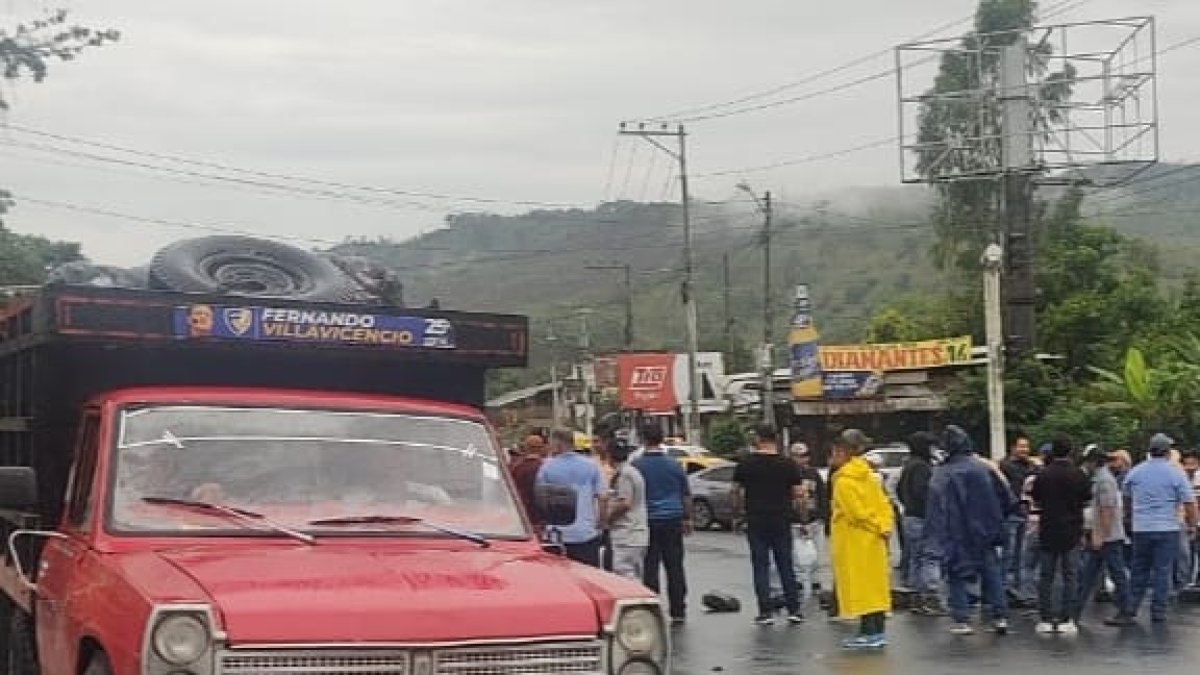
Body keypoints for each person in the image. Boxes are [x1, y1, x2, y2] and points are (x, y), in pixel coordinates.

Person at [927, 425, 1014, 636]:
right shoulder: (982, 468)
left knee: (956, 574)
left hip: (956, 532)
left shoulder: (943, 473)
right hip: (984, 531)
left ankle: (962, 618)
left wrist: (934, 538)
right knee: (991, 573)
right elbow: (1005, 496)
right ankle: (1000, 616)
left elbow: (935, 506)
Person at [1107, 433, 1198, 626]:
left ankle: (1130, 609)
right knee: (1162, 571)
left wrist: (1130, 518)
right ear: (1166, 452)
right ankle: (1158, 612)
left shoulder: (1137, 471)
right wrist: (1193, 525)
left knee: (1139, 569)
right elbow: (1189, 503)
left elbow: (1126, 497)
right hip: (1167, 528)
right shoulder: (1176, 473)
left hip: (1141, 528)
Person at [732, 425, 805, 626]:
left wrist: (738, 514)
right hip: (781, 518)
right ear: (775, 439)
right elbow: (799, 495)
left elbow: (736, 492)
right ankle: (794, 609)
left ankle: (765, 612)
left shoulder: (746, 464)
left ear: (758, 439)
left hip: (756, 519)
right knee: (785, 564)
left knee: (760, 565)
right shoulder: (788, 464)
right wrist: (802, 518)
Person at [829, 429, 894, 650]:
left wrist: (873, 524)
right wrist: (883, 527)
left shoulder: (844, 481)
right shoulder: (868, 476)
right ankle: (878, 632)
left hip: (855, 541)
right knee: (875, 586)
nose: (833, 456)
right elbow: (884, 505)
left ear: (844, 452)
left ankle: (868, 633)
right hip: (874, 539)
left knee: (861, 588)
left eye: (836, 451)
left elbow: (856, 513)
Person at [1029, 435, 1091, 635]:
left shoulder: (1043, 474)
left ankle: (1046, 617)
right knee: (1070, 575)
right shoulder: (1078, 475)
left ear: (1052, 451)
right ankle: (1067, 617)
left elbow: (1036, 500)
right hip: (1072, 530)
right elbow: (1086, 500)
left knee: (1046, 576)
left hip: (1048, 528)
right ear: (1070, 451)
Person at [633, 425, 692, 625]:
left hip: (647, 521)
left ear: (643, 440)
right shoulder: (674, 465)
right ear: (661, 440)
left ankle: (653, 606)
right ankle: (678, 609)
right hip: (673, 519)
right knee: (674, 565)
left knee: (650, 565)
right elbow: (685, 494)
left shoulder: (637, 466)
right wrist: (687, 518)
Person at [536, 427, 606, 566]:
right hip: (585, 533)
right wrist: (600, 523)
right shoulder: (591, 465)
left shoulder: (547, 467)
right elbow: (602, 498)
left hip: (557, 535)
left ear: (558, 443)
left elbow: (540, 499)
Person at [1077, 446, 1131, 622]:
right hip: (1104, 535)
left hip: (1108, 537)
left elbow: (1106, 510)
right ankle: (1074, 611)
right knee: (1090, 574)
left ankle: (1126, 609)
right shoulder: (1100, 479)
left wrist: (1100, 535)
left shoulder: (1104, 481)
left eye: (1088, 461)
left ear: (1094, 461)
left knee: (1114, 574)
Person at [896, 431, 945, 616]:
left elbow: (900, 489)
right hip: (923, 518)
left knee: (916, 559)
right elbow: (924, 493)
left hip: (910, 517)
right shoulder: (923, 467)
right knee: (930, 558)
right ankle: (931, 598)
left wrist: (907, 505)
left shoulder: (909, 465)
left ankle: (916, 597)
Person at [604, 437, 649, 582]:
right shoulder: (633, 471)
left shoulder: (624, 475)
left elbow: (625, 503)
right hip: (637, 533)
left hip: (627, 533)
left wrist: (607, 519)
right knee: (636, 574)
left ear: (609, 455)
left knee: (625, 577)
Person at [1000, 433, 1038, 595]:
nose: (1025, 450)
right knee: (1008, 553)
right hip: (1010, 514)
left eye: (1027, 447)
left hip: (1027, 515)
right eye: (1021, 446)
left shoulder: (1031, 466)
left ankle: (1019, 588)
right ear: (1013, 448)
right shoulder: (1006, 466)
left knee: (1022, 555)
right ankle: (1007, 588)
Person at [789, 442, 828, 601]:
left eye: (805, 455)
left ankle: (815, 582)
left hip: (814, 519)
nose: (802, 459)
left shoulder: (813, 473)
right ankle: (797, 582)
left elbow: (821, 494)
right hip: (794, 521)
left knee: (817, 554)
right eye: (797, 455)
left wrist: (823, 515)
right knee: (796, 554)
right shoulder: (787, 474)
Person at [510, 433, 547, 531]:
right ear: (542, 448)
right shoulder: (546, 468)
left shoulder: (516, 468)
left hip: (521, 518)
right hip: (541, 520)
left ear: (526, 448)